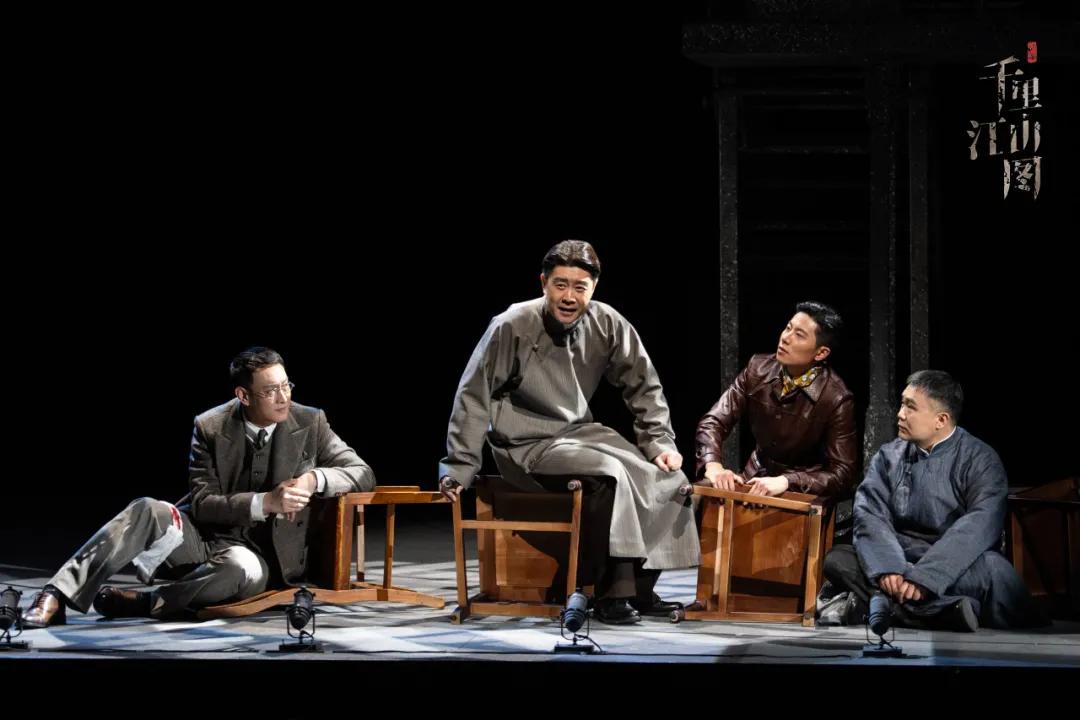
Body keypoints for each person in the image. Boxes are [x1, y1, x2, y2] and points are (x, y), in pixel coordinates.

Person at [439, 240, 699, 624]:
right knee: (609, 474)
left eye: (580, 287)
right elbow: (473, 394)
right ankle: (610, 595)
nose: (569, 296)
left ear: (594, 288)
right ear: (543, 282)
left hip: (579, 434)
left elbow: (644, 385)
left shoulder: (607, 322)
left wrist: (659, 442)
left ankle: (641, 591)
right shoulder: (512, 324)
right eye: (560, 284)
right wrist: (459, 465)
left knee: (670, 479)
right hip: (524, 444)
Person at [23, 346, 373, 627]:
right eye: (270, 390)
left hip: (260, 562)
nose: (283, 397)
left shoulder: (310, 421)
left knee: (238, 567)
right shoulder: (210, 426)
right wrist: (265, 502)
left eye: (286, 385)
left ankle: (149, 602)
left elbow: (361, 472)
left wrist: (314, 479)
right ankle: (57, 593)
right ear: (244, 395)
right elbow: (204, 502)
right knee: (146, 508)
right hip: (202, 541)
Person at [821, 370, 1047, 631]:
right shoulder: (888, 456)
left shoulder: (981, 459)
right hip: (901, 557)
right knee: (838, 559)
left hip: (957, 564)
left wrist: (927, 577)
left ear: (941, 420)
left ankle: (884, 605)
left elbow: (979, 524)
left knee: (997, 573)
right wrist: (888, 568)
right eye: (902, 404)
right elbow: (870, 514)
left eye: (911, 407)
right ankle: (945, 612)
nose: (900, 414)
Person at [695, 301, 856, 497]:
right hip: (752, 479)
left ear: (821, 353)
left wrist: (788, 481)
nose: (786, 338)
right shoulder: (757, 369)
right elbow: (714, 421)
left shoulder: (836, 398)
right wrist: (712, 464)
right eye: (788, 328)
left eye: (799, 335)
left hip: (800, 495)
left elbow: (843, 474)